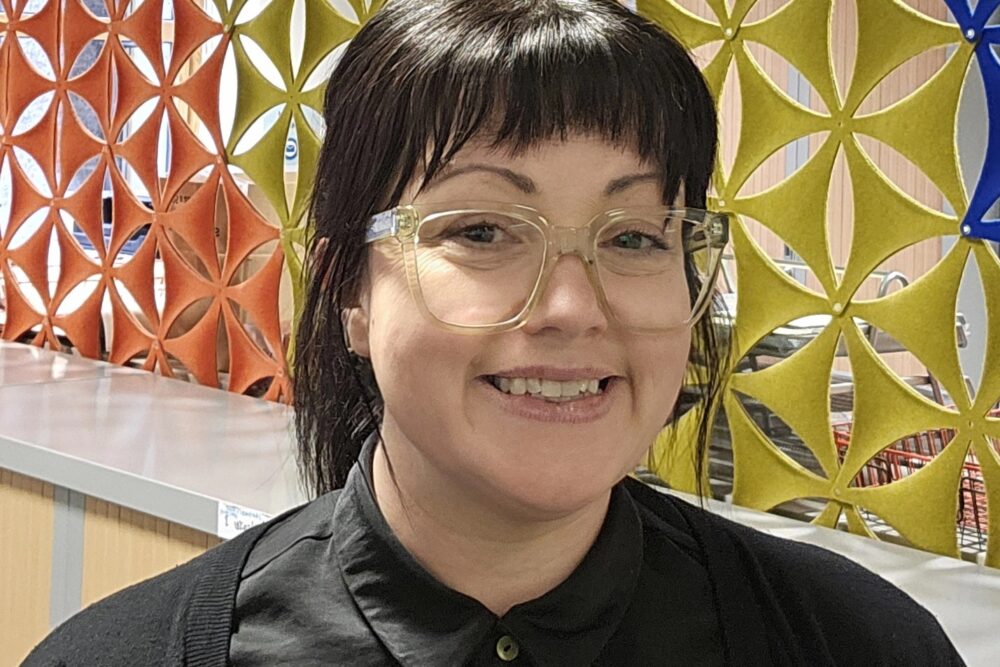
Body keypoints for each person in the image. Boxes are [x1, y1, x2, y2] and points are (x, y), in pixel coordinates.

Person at [25, 1, 964, 665]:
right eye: (481, 231)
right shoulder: (126, 654)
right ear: (351, 289)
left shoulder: (856, 642)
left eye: (634, 237)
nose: (572, 307)